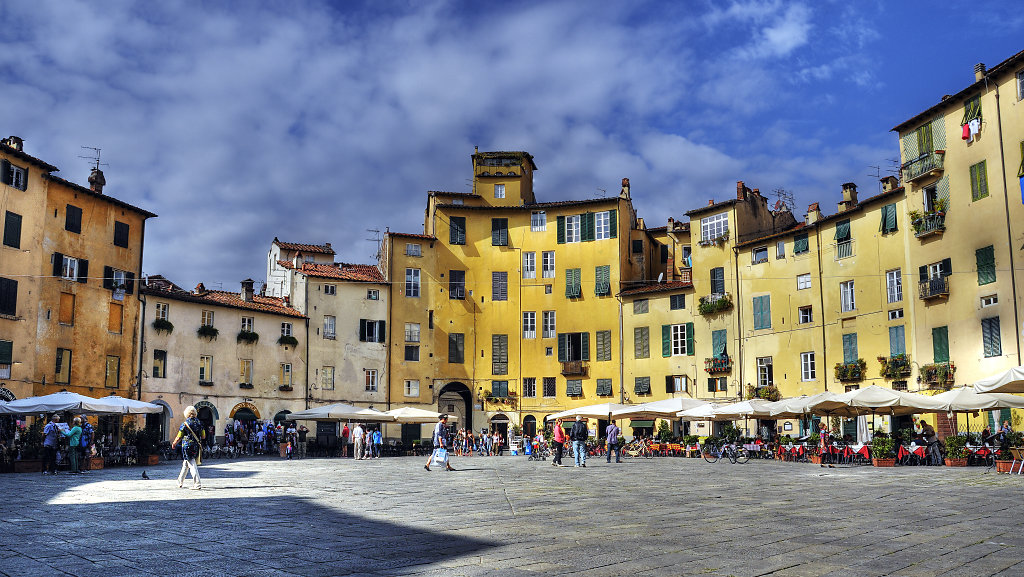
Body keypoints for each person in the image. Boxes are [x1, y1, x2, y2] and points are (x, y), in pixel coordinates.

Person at [171, 405, 205, 489]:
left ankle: (197, 483)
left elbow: (179, 436)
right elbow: (203, 436)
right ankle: (180, 481)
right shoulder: (200, 423)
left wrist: (174, 443)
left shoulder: (185, 424)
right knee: (186, 463)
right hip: (196, 445)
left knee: (191, 463)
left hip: (187, 446)